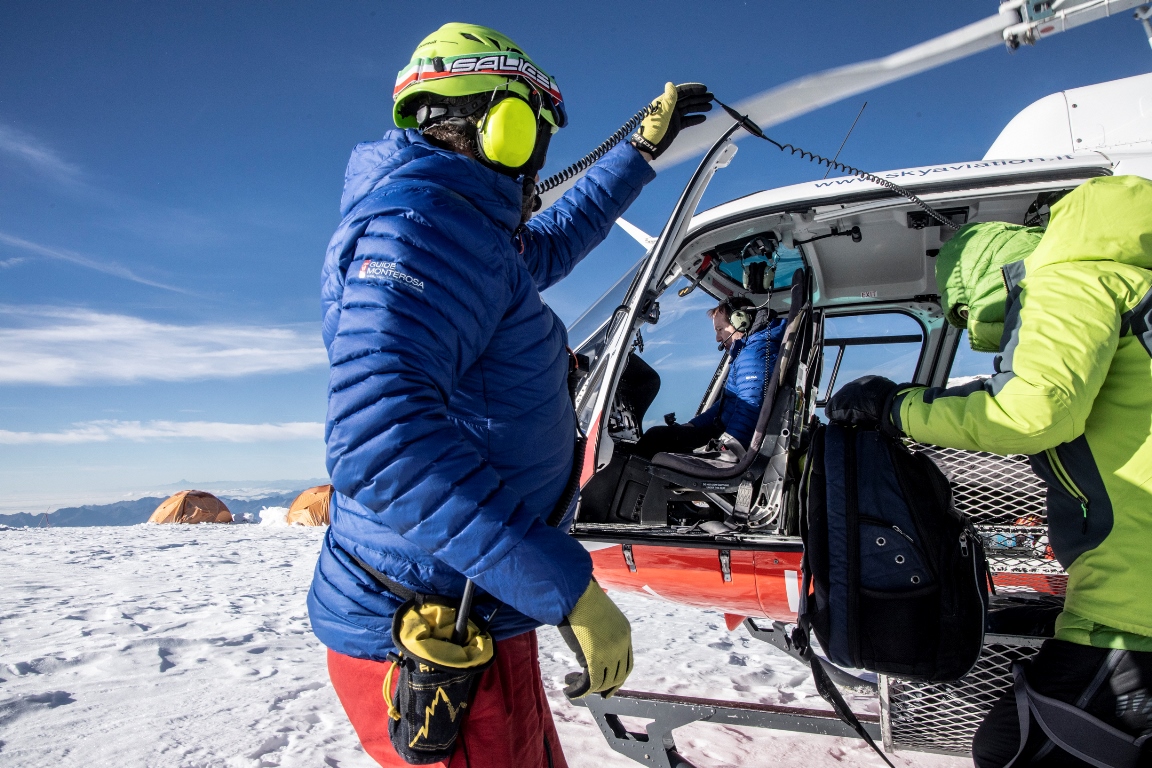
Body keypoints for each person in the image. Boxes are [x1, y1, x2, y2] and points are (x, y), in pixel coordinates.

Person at [308, 22, 713, 768]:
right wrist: (567, 588)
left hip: (480, 595)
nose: (537, 160)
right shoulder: (420, 229)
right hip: (434, 628)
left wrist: (637, 156)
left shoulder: (463, 228)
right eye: (536, 130)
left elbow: (549, 244)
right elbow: (376, 442)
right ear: (504, 123)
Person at [826, 176, 1152, 766]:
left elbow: (1033, 413)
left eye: (961, 309)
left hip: (1132, 611)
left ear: (985, 280)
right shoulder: (1131, 283)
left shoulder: (1068, 277)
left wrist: (896, 409)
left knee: (1007, 747)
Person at [634, 297, 785, 459]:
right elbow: (726, 406)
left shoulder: (754, 355)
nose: (718, 338)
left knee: (655, 439)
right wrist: (693, 425)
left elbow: (751, 407)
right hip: (723, 433)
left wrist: (728, 450)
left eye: (720, 329)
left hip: (734, 445)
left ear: (741, 322)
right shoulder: (750, 350)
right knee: (658, 436)